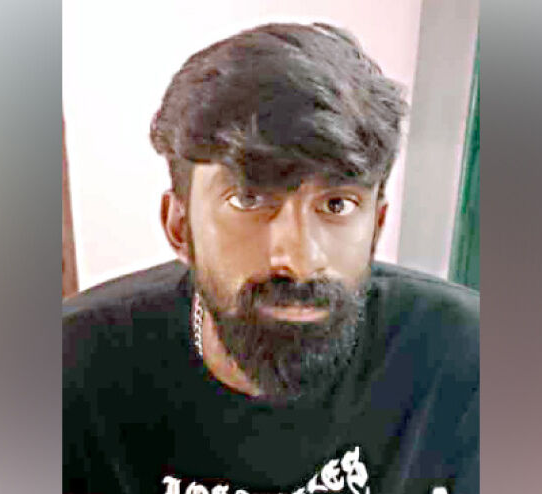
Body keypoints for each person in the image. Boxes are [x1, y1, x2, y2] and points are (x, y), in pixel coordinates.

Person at [63, 22, 478, 494]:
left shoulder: (462, 360)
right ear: (180, 226)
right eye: (249, 199)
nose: (299, 259)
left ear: (376, 226)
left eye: (337, 205)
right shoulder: (72, 373)